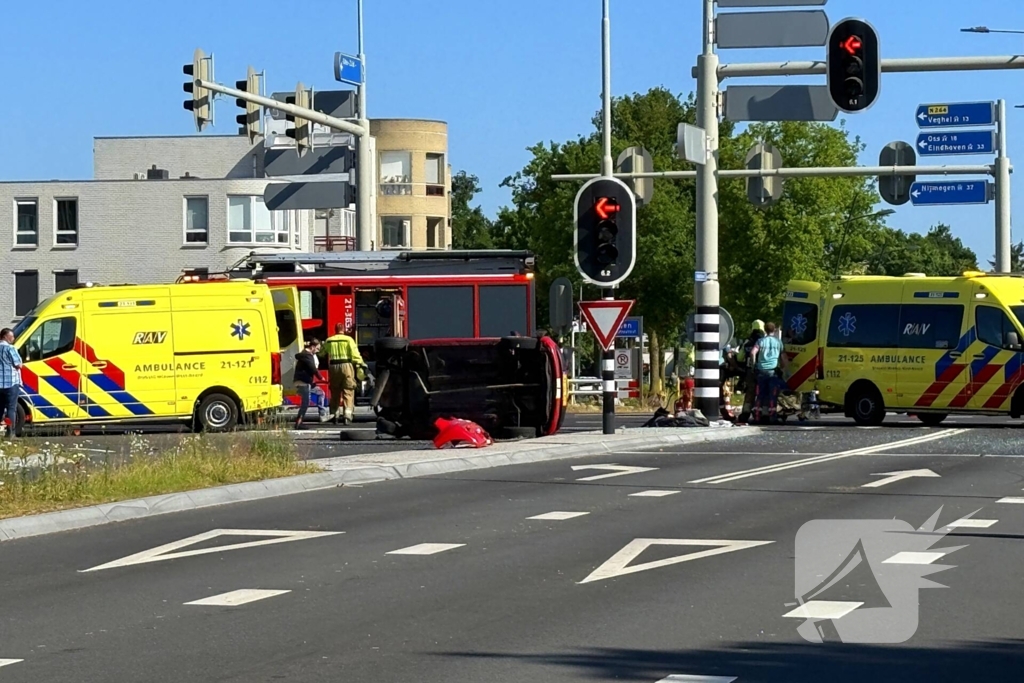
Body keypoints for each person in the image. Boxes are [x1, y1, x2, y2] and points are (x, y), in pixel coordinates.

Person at [323, 322, 365, 425]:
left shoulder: (329, 341)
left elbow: (322, 353)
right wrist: (361, 364)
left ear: (335, 329)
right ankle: (347, 415)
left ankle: (334, 414)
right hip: (346, 365)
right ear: (344, 330)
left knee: (335, 391)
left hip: (333, 366)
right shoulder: (349, 340)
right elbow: (355, 354)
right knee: (348, 390)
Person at [751, 321, 786, 424]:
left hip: (761, 370)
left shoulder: (760, 341)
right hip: (773, 371)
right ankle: (772, 417)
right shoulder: (778, 342)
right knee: (773, 395)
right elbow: (784, 358)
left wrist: (754, 365)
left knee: (760, 394)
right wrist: (782, 368)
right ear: (774, 330)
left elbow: (753, 353)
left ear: (765, 330)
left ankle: (757, 416)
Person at [735, 321, 765, 424]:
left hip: (749, 371)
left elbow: (740, 357)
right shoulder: (764, 341)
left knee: (750, 393)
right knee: (763, 392)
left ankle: (745, 414)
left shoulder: (747, 342)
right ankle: (761, 413)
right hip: (762, 370)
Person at [293, 340, 322, 428]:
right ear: (312, 347)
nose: (318, 351)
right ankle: (299, 423)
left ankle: (323, 414)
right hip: (303, 382)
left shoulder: (304, 354)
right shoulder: (308, 356)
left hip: (304, 381)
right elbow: (313, 368)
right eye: (317, 349)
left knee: (320, 393)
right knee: (305, 403)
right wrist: (320, 377)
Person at [0, 328, 22, 439]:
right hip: (11, 383)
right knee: (11, 409)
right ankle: (10, 432)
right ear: (5, 337)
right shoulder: (10, 348)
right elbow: (18, 364)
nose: (13, 339)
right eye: (11, 336)